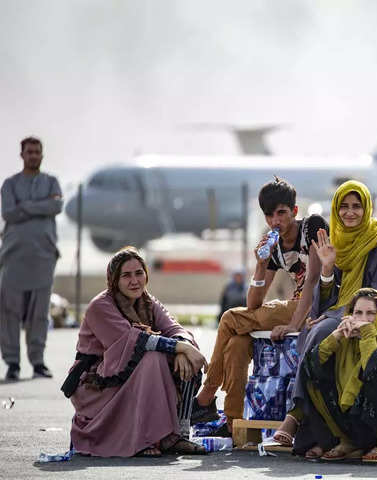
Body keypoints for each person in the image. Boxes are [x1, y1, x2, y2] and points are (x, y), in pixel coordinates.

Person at [192, 177, 326, 433]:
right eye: (269, 215)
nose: (276, 221)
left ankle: (207, 395)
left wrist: (292, 324)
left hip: (317, 307)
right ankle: (234, 424)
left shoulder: (312, 226)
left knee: (230, 319)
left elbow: (313, 282)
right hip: (295, 306)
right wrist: (261, 265)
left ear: (294, 211)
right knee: (236, 344)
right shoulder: (273, 244)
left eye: (281, 213)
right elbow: (253, 304)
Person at [275, 180, 377, 457]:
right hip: (339, 311)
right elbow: (327, 293)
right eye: (344, 207)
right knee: (313, 333)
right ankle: (323, 436)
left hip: (368, 313)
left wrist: (347, 317)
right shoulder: (336, 240)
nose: (350, 213)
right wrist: (328, 268)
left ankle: (295, 416)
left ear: (367, 208)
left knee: (321, 333)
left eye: (356, 206)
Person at [63, 247, 209, 457]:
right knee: (153, 357)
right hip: (98, 385)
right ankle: (144, 437)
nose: (134, 281)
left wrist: (183, 347)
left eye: (139, 273)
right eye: (126, 275)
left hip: (128, 377)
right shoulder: (100, 306)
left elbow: (175, 329)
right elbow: (135, 341)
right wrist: (180, 347)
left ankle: (178, 434)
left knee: (185, 357)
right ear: (114, 280)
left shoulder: (148, 302)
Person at [297, 288, 377, 462]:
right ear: (349, 314)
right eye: (358, 313)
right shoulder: (346, 340)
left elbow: (373, 368)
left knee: (374, 378)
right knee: (312, 377)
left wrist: (368, 333)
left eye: (371, 313)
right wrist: (336, 336)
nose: (363, 319)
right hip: (361, 420)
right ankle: (349, 441)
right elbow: (310, 365)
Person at [1, 137, 62, 381]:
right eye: (29, 152)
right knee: (9, 313)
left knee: (39, 314)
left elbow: (56, 206)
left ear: (42, 155)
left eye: (37, 151)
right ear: (22, 154)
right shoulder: (10, 184)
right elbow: (8, 213)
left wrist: (25, 206)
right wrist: (41, 206)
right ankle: (12, 362)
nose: (33, 155)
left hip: (43, 257)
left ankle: (38, 362)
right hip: (14, 258)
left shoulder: (51, 181)